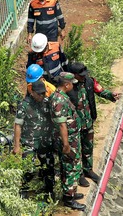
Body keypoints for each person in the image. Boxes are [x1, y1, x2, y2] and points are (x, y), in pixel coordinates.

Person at [67, 62, 121, 186]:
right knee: (76, 150)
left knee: (88, 147)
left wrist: (111, 95)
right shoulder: (68, 87)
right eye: (81, 75)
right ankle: (79, 174)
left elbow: (100, 90)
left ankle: (88, 170)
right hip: (75, 126)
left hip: (88, 121)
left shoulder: (89, 82)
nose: (83, 77)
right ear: (74, 75)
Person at [12, 78, 56, 197]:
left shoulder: (47, 102)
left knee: (48, 167)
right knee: (28, 169)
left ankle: (49, 191)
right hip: (29, 142)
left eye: (43, 93)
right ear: (32, 92)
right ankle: (24, 192)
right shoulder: (24, 105)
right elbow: (18, 125)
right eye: (39, 94)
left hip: (44, 142)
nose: (42, 96)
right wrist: (17, 145)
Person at [50, 72, 86, 210]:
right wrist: (66, 144)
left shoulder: (59, 97)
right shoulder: (59, 100)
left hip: (71, 139)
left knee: (72, 165)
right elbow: (61, 124)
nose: (73, 86)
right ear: (66, 84)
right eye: (72, 84)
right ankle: (69, 199)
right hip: (68, 141)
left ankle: (71, 192)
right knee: (70, 167)